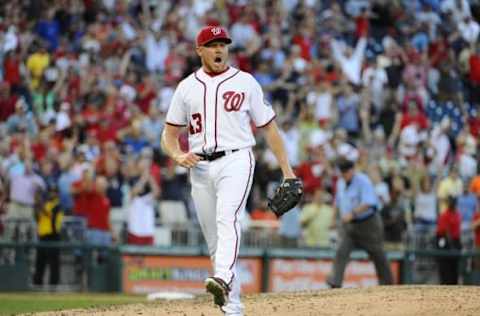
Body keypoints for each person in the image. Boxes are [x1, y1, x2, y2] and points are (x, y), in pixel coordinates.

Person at [161, 25, 298, 315]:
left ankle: (223, 277)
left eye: (223, 43)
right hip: (198, 165)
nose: (219, 49)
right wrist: (176, 155)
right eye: (212, 44)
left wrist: (288, 170)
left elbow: (270, 129)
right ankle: (233, 307)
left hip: (236, 159)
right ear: (200, 50)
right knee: (214, 239)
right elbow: (169, 134)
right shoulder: (186, 87)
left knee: (228, 218)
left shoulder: (245, 82)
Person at [327, 158, 393, 288]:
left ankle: (387, 284)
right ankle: (335, 282)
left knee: (377, 253)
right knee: (341, 250)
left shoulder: (363, 181)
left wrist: (351, 214)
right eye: (342, 171)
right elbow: (338, 201)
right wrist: (333, 219)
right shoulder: (341, 182)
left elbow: (368, 203)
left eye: (346, 171)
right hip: (350, 226)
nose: (344, 174)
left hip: (368, 224)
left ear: (352, 170)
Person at [33, 184, 63, 286]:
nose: (52, 193)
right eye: (50, 191)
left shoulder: (58, 205)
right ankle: (37, 284)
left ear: (58, 194)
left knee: (54, 263)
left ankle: (54, 285)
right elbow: (38, 217)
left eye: (54, 192)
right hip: (42, 236)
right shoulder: (46, 204)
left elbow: (51, 216)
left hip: (53, 236)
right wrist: (37, 205)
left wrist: (39, 202)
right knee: (40, 262)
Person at [436, 195, 462, 285]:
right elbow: (445, 232)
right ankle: (445, 283)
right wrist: (451, 245)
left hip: (455, 240)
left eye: (453, 202)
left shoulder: (457, 214)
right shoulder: (445, 215)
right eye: (451, 202)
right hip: (444, 240)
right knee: (444, 263)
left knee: (454, 266)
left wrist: (456, 245)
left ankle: (453, 283)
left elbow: (457, 231)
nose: (452, 204)